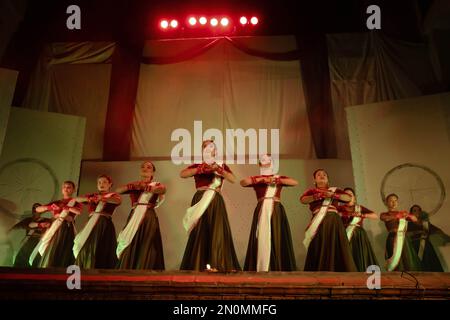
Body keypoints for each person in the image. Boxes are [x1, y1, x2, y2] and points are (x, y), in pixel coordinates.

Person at [179, 140, 240, 271]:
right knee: (200, 230)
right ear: (202, 150)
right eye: (205, 146)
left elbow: (233, 179)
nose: (209, 149)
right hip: (200, 198)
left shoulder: (221, 166)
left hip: (215, 200)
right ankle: (197, 265)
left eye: (212, 146)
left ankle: (218, 264)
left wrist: (218, 170)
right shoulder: (198, 165)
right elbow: (183, 174)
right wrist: (200, 169)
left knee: (217, 230)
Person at [240, 154, 297, 271]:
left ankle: (279, 266)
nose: (265, 161)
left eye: (268, 159)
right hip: (262, 208)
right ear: (260, 163)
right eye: (263, 159)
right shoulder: (257, 178)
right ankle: (261, 266)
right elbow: (243, 182)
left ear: (272, 162)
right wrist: (262, 179)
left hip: (276, 209)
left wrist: (275, 180)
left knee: (277, 235)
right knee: (261, 235)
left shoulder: (278, 178)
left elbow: (294, 182)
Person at [300, 169, 356, 271]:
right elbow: (303, 200)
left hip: (334, 221)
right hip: (319, 222)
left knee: (337, 245)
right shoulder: (311, 191)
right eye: (318, 175)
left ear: (327, 179)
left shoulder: (334, 190)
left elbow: (348, 198)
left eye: (324, 175)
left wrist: (334, 195)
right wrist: (316, 196)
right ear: (315, 180)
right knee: (319, 244)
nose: (322, 176)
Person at [115, 161, 166, 270]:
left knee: (147, 243)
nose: (145, 168)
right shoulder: (134, 184)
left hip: (148, 216)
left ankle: (144, 268)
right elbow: (118, 190)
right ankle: (128, 269)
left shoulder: (156, 185)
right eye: (142, 167)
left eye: (148, 167)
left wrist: (148, 188)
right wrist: (133, 186)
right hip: (134, 215)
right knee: (130, 241)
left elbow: (162, 189)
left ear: (152, 172)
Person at [73, 175, 121, 269]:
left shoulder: (113, 195)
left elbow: (118, 201)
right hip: (91, 223)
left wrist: (103, 198)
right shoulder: (92, 196)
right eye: (99, 182)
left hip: (103, 223)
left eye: (104, 182)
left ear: (110, 184)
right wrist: (89, 199)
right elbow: (76, 199)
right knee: (83, 244)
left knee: (100, 246)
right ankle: (84, 266)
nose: (101, 184)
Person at [29, 181, 81, 268]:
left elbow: (78, 211)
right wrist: (49, 207)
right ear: (62, 190)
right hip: (55, 228)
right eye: (64, 187)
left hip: (67, 229)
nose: (66, 189)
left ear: (73, 190)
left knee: (64, 249)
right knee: (51, 248)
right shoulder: (57, 202)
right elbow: (38, 209)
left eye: (69, 187)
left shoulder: (75, 202)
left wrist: (64, 208)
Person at [337, 188, 379, 272]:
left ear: (354, 197)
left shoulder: (359, 208)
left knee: (359, 255)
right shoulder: (339, 208)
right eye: (346, 195)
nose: (348, 197)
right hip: (345, 234)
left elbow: (375, 216)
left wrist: (362, 215)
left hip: (359, 236)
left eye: (350, 195)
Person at [380, 194, 422, 271]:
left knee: (407, 259)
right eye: (391, 201)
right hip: (393, 238)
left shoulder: (403, 213)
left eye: (395, 200)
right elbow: (384, 218)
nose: (394, 202)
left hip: (404, 239)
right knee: (396, 260)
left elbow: (415, 220)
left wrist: (409, 215)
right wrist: (397, 216)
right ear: (387, 203)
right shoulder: (384, 214)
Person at [11, 203, 52, 267]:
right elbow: (18, 226)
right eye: (34, 209)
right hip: (28, 240)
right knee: (21, 257)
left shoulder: (46, 220)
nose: (35, 211)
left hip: (39, 241)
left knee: (35, 258)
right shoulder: (28, 220)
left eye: (38, 208)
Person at [407, 204, 444, 272]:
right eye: (414, 210)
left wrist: (444, 237)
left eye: (418, 210)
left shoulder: (426, 224)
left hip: (427, 247)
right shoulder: (408, 224)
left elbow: (438, 231)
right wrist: (417, 232)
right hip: (415, 246)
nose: (417, 212)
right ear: (411, 213)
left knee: (430, 264)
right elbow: (405, 234)